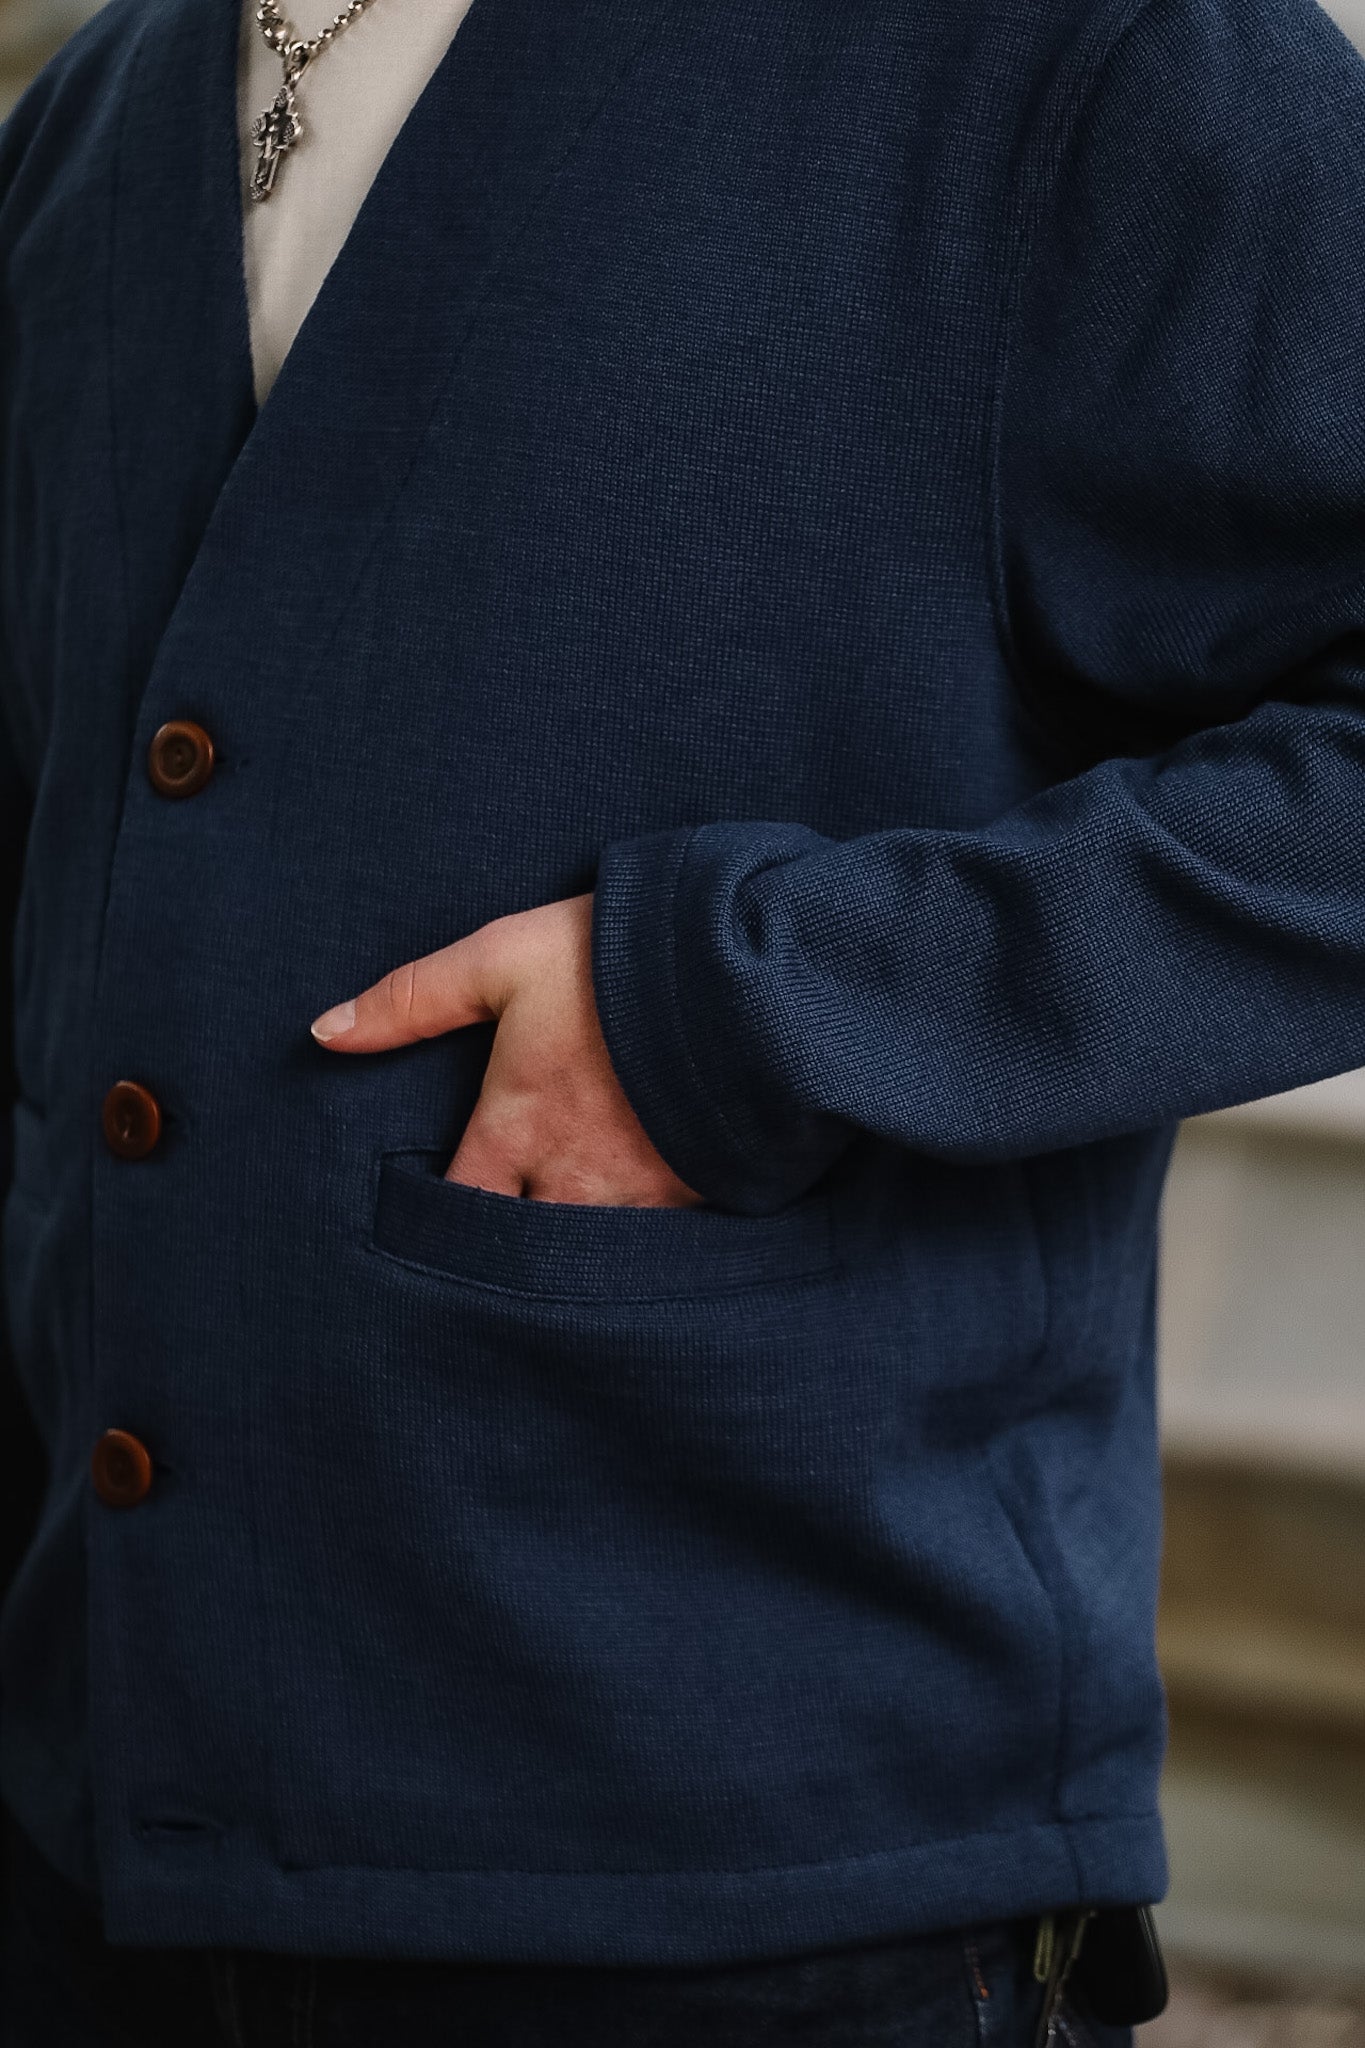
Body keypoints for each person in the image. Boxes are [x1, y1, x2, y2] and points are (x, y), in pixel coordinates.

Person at [3, 0, 1365, 2038]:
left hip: (739, 1873)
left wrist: (739, 1010)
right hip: (83, 1847)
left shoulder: (1078, 48)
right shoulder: (94, 119)